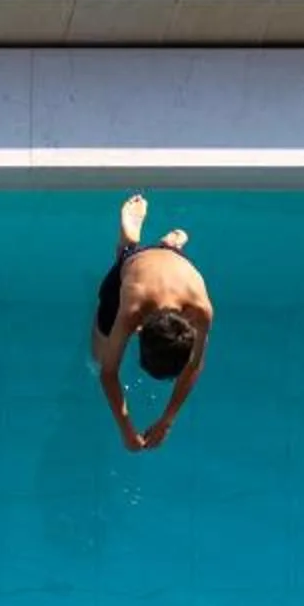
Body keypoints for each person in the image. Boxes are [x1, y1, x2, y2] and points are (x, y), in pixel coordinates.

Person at [92, 191, 213, 455]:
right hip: (134, 268)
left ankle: (168, 246)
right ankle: (128, 242)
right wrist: (126, 429)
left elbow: (194, 366)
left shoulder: (202, 310)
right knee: (98, 354)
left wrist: (167, 419)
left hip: (176, 265)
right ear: (141, 329)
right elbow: (107, 372)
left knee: (108, 351)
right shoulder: (132, 310)